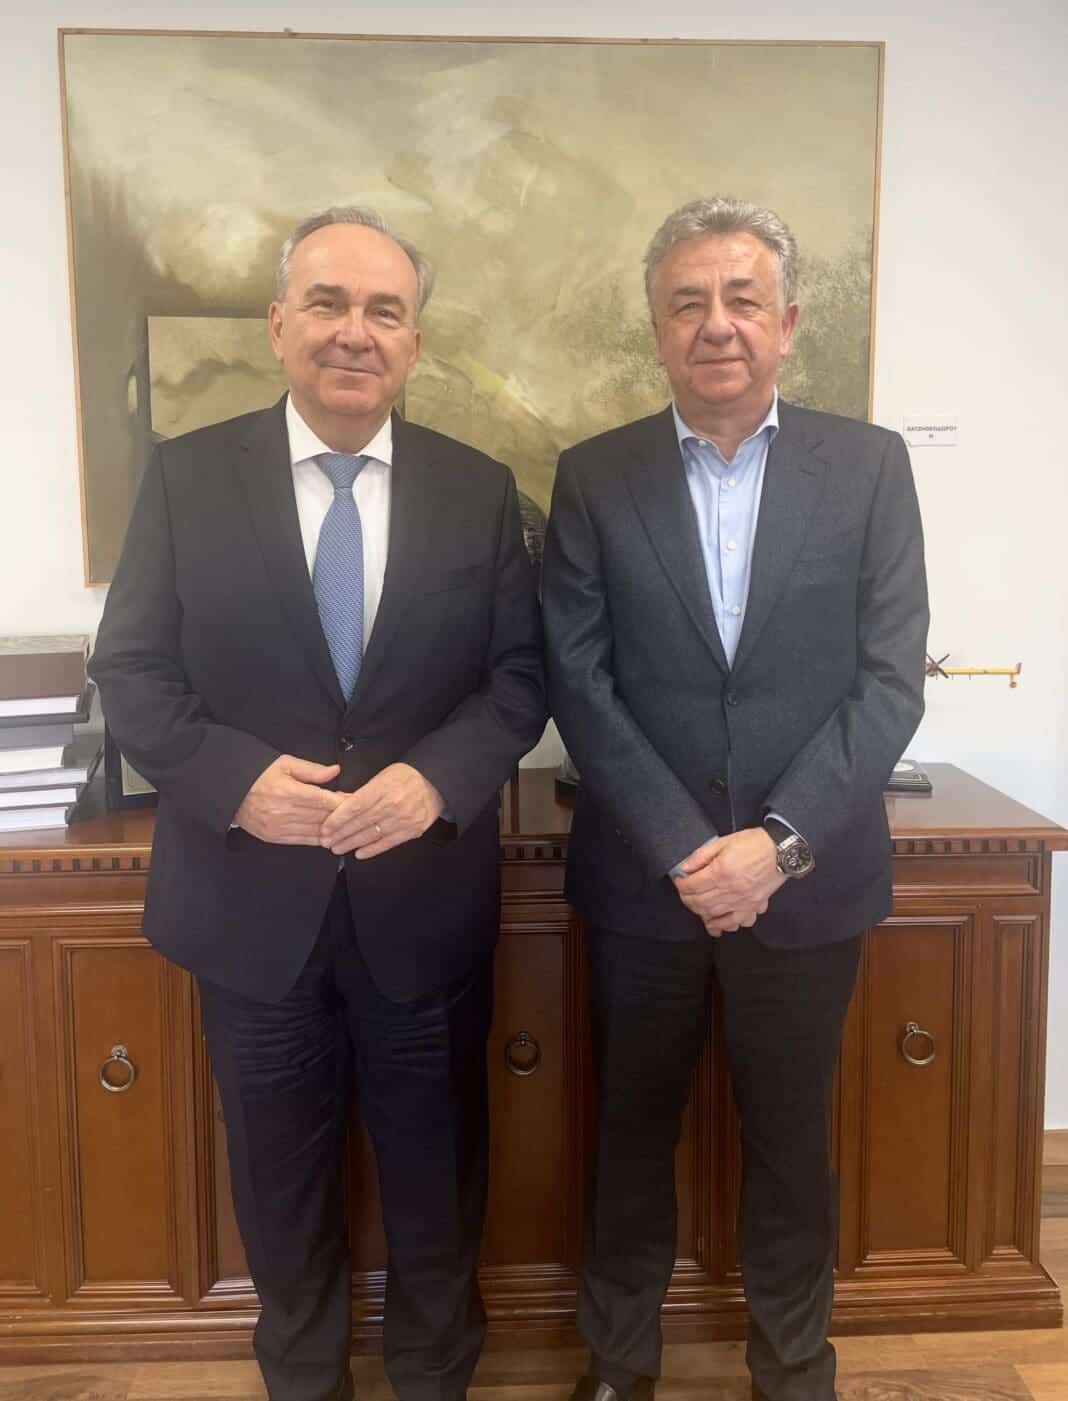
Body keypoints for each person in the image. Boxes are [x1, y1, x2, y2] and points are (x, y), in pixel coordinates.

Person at [90, 206, 546, 1401]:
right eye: (329, 304)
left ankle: (435, 1379)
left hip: (421, 911)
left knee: (437, 1186)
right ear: (278, 324)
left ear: (415, 340)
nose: (356, 332)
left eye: (385, 311)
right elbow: (130, 672)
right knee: (280, 1193)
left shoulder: (478, 490)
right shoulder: (187, 479)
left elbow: (518, 681)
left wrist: (437, 778)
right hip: (249, 913)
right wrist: (232, 782)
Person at [541, 196, 928, 1401]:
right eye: (688, 303)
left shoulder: (869, 468)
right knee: (628, 1139)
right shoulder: (593, 476)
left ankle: (793, 1365)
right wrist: (685, 850)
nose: (717, 324)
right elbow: (578, 682)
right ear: (657, 330)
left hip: (808, 889)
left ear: (788, 322)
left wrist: (776, 845)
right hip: (642, 890)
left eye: (742, 299)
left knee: (791, 1145)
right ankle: (620, 1365)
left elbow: (889, 680)